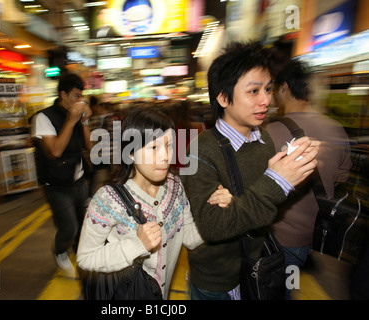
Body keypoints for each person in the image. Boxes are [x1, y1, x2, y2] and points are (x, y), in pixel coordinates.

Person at [183, 41, 320, 300]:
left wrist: (294, 173)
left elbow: (268, 205)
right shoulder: (199, 151)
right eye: (254, 91)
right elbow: (212, 227)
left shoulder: (264, 139)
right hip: (217, 280)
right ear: (223, 97)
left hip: (260, 265)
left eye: (268, 89)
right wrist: (276, 181)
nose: (266, 100)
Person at [76, 107, 233, 299]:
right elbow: (86, 258)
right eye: (153, 148)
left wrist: (216, 211)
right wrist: (136, 244)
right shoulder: (107, 199)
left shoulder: (175, 186)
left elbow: (190, 238)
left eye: (169, 145)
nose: (165, 156)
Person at [265, 59, 352, 273]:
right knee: (291, 282)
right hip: (317, 233)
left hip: (280, 235)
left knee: (279, 287)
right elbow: (341, 177)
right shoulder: (336, 129)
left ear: (284, 87)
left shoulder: (269, 132)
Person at [31, 73, 93, 277]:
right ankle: (59, 252)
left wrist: (84, 122)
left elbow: (89, 146)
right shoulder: (43, 118)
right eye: (76, 96)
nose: (80, 101)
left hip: (79, 180)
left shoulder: (75, 116)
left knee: (84, 224)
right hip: (57, 184)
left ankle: (80, 256)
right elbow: (55, 151)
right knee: (69, 227)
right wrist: (71, 120)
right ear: (63, 94)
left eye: (81, 96)